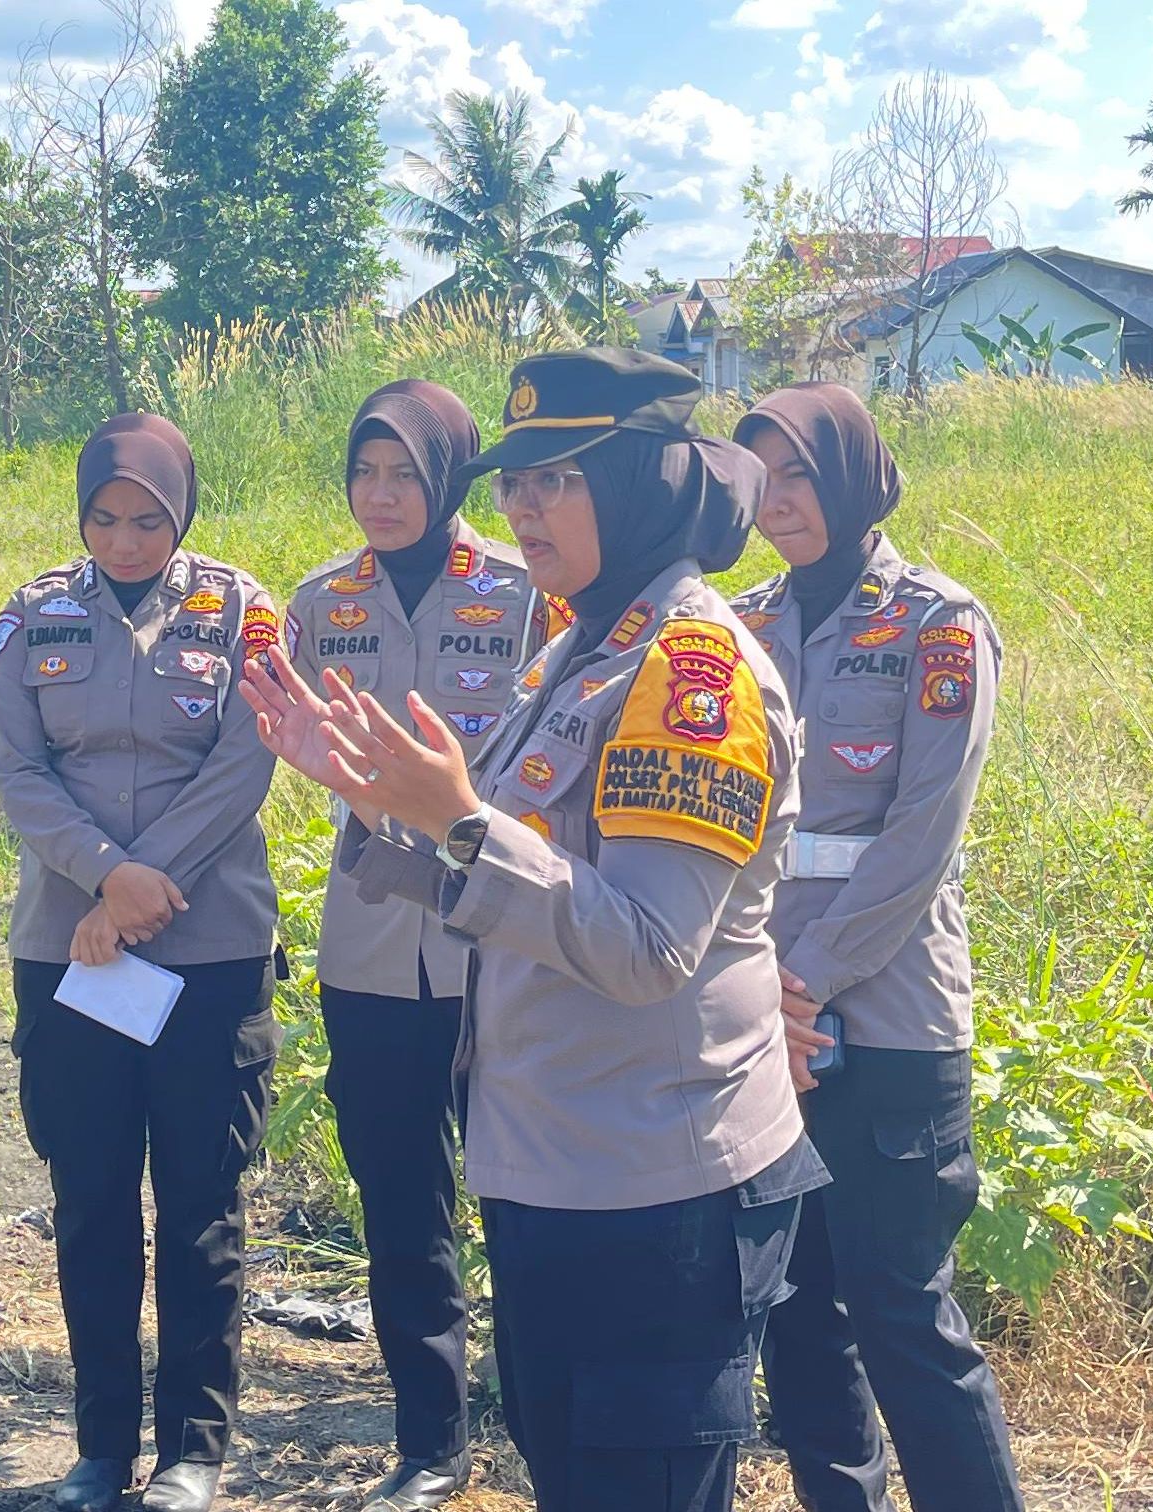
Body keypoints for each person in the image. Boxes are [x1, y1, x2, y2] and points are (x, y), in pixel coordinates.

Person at [240, 348, 826, 1512]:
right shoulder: (582, 651)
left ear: (641, 485)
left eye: (557, 479)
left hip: (658, 1189)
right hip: (560, 1166)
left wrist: (456, 821)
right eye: (514, 482)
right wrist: (374, 798)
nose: (520, 506)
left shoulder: (686, 670)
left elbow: (647, 945)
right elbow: (518, 879)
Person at [0, 412, 285, 1512]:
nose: (124, 540)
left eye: (146, 519)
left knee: (202, 1199)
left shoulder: (244, 609)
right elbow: (16, 771)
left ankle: (194, 1451)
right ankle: (102, 1449)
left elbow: (245, 763)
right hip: (73, 953)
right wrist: (106, 879)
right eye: (103, 519)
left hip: (208, 950)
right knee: (93, 1197)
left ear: (182, 512)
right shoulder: (32, 613)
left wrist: (142, 883)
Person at [731, 384, 1022, 1512]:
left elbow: (921, 835)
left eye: (799, 475)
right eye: (762, 480)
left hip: (889, 1016)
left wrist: (804, 981)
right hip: (768, 1023)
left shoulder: (937, 623)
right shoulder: (740, 627)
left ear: (852, 477)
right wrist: (762, 991)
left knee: (902, 1307)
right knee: (798, 1309)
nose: (781, 501)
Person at [281, 380, 551, 1512]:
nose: (381, 497)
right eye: (364, 473)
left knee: (527, 1193)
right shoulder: (319, 600)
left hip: (503, 942)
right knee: (399, 1192)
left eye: (404, 474)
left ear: (449, 478)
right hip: (375, 939)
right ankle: (429, 1441)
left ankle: (546, 1429)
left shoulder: (526, 593)